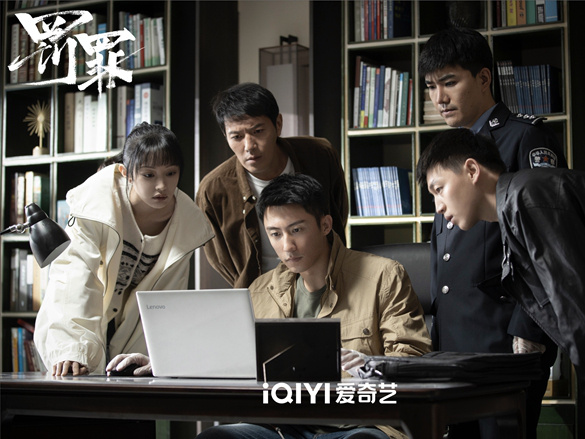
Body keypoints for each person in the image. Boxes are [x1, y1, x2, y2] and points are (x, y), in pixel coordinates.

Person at [110, 173, 431, 439]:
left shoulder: (382, 276)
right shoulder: (262, 290)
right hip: (282, 426)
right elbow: (225, 360)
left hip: (359, 425)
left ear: (325, 225)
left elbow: (412, 361)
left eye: (297, 230)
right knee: (216, 437)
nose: (286, 246)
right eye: (275, 234)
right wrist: (164, 363)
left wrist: (364, 369)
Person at [417, 128, 585, 439]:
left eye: (439, 189)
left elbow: (576, 303)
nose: (438, 207)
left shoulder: (528, 198)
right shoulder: (518, 204)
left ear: (472, 170)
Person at [418, 26, 567, 438]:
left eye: (450, 82)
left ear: (484, 78)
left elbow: (549, 239)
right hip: (453, 343)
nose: (439, 98)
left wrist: (531, 326)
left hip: (507, 338)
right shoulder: (447, 149)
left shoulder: (525, 137)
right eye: (431, 86)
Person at [34, 122, 214, 376]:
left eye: (170, 173)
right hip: (83, 324)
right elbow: (73, 280)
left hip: (132, 336)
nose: (162, 186)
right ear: (126, 173)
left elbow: (165, 303)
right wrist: (72, 348)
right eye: (149, 175)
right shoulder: (95, 205)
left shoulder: (187, 225)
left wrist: (156, 358)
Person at [196, 83, 349, 288]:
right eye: (237, 137)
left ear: (278, 124)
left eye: (258, 131)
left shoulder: (319, 154)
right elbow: (220, 257)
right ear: (225, 135)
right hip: (260, 290)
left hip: (326, 280)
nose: (249, 146)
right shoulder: (213, 190)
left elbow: (337, 213)